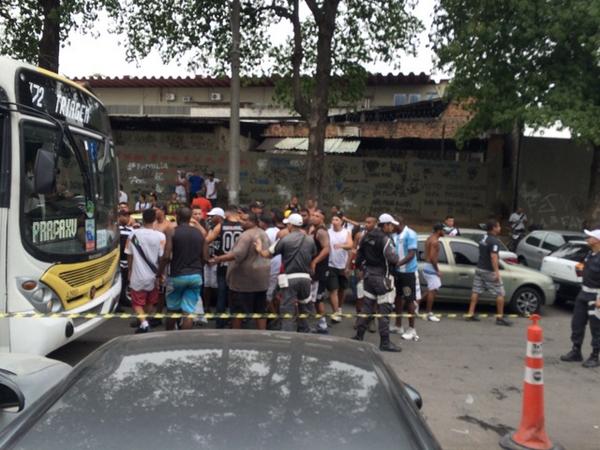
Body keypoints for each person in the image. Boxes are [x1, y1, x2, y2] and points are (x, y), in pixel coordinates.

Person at [256, 213, 317, 332]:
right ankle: (308, 332)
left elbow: (267, 254)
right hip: (306, 279)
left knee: (287, 310)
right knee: (306, 307)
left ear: (290, 225)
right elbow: (313, 254)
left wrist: (259, 249)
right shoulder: (310, 240)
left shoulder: (285, 239)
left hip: (290, 279)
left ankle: (288, 335)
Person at [352, 213, 401, 352]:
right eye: (391, 225)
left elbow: (359, 256)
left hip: (368, 277)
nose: (392, 227)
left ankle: (359, 336)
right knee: (384, 310)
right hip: (383, 278)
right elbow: (393, 258)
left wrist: (361, 269)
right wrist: (397, 259)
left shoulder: (366, 236)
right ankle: (385, 342)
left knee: (367, 308)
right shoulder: (385, 239)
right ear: (385, 225)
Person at [213, 212, 271, 330]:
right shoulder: (263, 233)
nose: (241, 222)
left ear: (252, 222)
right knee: (260, 311)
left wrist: (219, 259)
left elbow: (237, 254)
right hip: (261, 281)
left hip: (243, 283)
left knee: (237, 312)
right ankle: (262, 334)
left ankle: (236, 335)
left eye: (244, 220)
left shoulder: (246, 236)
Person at [159, 207, 206, 331]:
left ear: (177, 217)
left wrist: (159, 273)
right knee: (188, 312)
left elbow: (166, 256)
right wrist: (198, 268)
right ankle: (185, 339)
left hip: (177, 276)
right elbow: (205, 257)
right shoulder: (199, 233)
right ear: (190, 217)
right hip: (195, 276)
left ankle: (169, 336)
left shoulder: (172, 232)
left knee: (172, 310)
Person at [560, 228, 600, 368]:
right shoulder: (590, 254)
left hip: (595, 295)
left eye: (590, 237)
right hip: (583, 293)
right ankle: (576, 351)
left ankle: (595, 356)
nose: (587, 238)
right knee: (577, 323)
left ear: (597, 240)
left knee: (596, 327)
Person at [125, 208, 166, 333]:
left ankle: (144, 323)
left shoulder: (133, 235)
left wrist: (130, 270)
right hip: (153, 275)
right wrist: (161, 274)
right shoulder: (161, 236)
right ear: (154, 220)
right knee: (150, 301)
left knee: (137, 303)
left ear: (142, 219)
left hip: (137, 275)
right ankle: (144, 322)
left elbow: (129, 254)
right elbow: (162, 257)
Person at [465, 218, 512, 326]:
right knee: (500, 293)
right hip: (488, 270)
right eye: (498, 226)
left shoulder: (483, 238)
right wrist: (497, 272)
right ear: (494, 228)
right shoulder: (494, 241)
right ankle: (500, 318)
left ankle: (470, 313)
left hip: (479, 268)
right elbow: (493, 257)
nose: (500, 228)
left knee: (476, 291)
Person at [212, 205, 244, 328]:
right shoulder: (243, 226)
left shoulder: (221, 226)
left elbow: (207, 240)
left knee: (222, 293)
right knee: (236, 293)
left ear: (228, 213)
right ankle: (235, 320)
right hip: (237, 264)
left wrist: (208, 257)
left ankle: (220, 322)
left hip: (223, 263)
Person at [390, 216, 421, 341]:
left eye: (393, 225)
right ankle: (398, 325)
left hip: (408, 273)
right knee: (397, 298)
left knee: (409, 299)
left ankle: (412, 329)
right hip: (398, 273)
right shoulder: (394, 235)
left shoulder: (410, 234)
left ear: (399, 224)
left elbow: (411, 254)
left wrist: (398, 263)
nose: (391, 227)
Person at [327, 212, 353, 322]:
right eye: (333, 219)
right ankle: (335, 312)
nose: (334, 222)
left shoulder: (346, 232)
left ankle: (339, 308)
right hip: (330, 264)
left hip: (342, 265)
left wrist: (341, 245)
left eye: (337, 220)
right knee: (333, 289)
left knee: (342, 289)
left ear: (341, 221)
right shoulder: (328, 232)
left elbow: (350, 245)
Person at [309, 209, 331, 333]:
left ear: (322, 219)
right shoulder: (314, 229)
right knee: (314, 298)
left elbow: (327, 249)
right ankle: (319, 323)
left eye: (317, 216)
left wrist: (315, 261)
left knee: (318, 298)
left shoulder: (321, 231)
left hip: (320, 270)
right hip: (315, 270)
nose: (313, 217)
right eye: (313, 215)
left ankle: (322, 326)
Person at [422, 224, 444, 322]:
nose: (444, 232)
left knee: (431, 290)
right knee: (433, 291)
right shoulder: (435, 242)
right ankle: (428, 314)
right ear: (439, 231)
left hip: (427, 267)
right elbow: (432, 258)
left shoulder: (429, 238)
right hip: (431, 269)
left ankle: (416, 304)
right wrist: (437, 270)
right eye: (443, 230)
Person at [117, 210, 133, 312]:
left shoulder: (131, 230)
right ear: (119, 217)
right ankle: (117, 303)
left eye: (128, 216)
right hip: (117, 261)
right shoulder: (116, 229)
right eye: (125, 216)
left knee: (125, 282)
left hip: (127, 261)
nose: (127, 218)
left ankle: (124, 299)